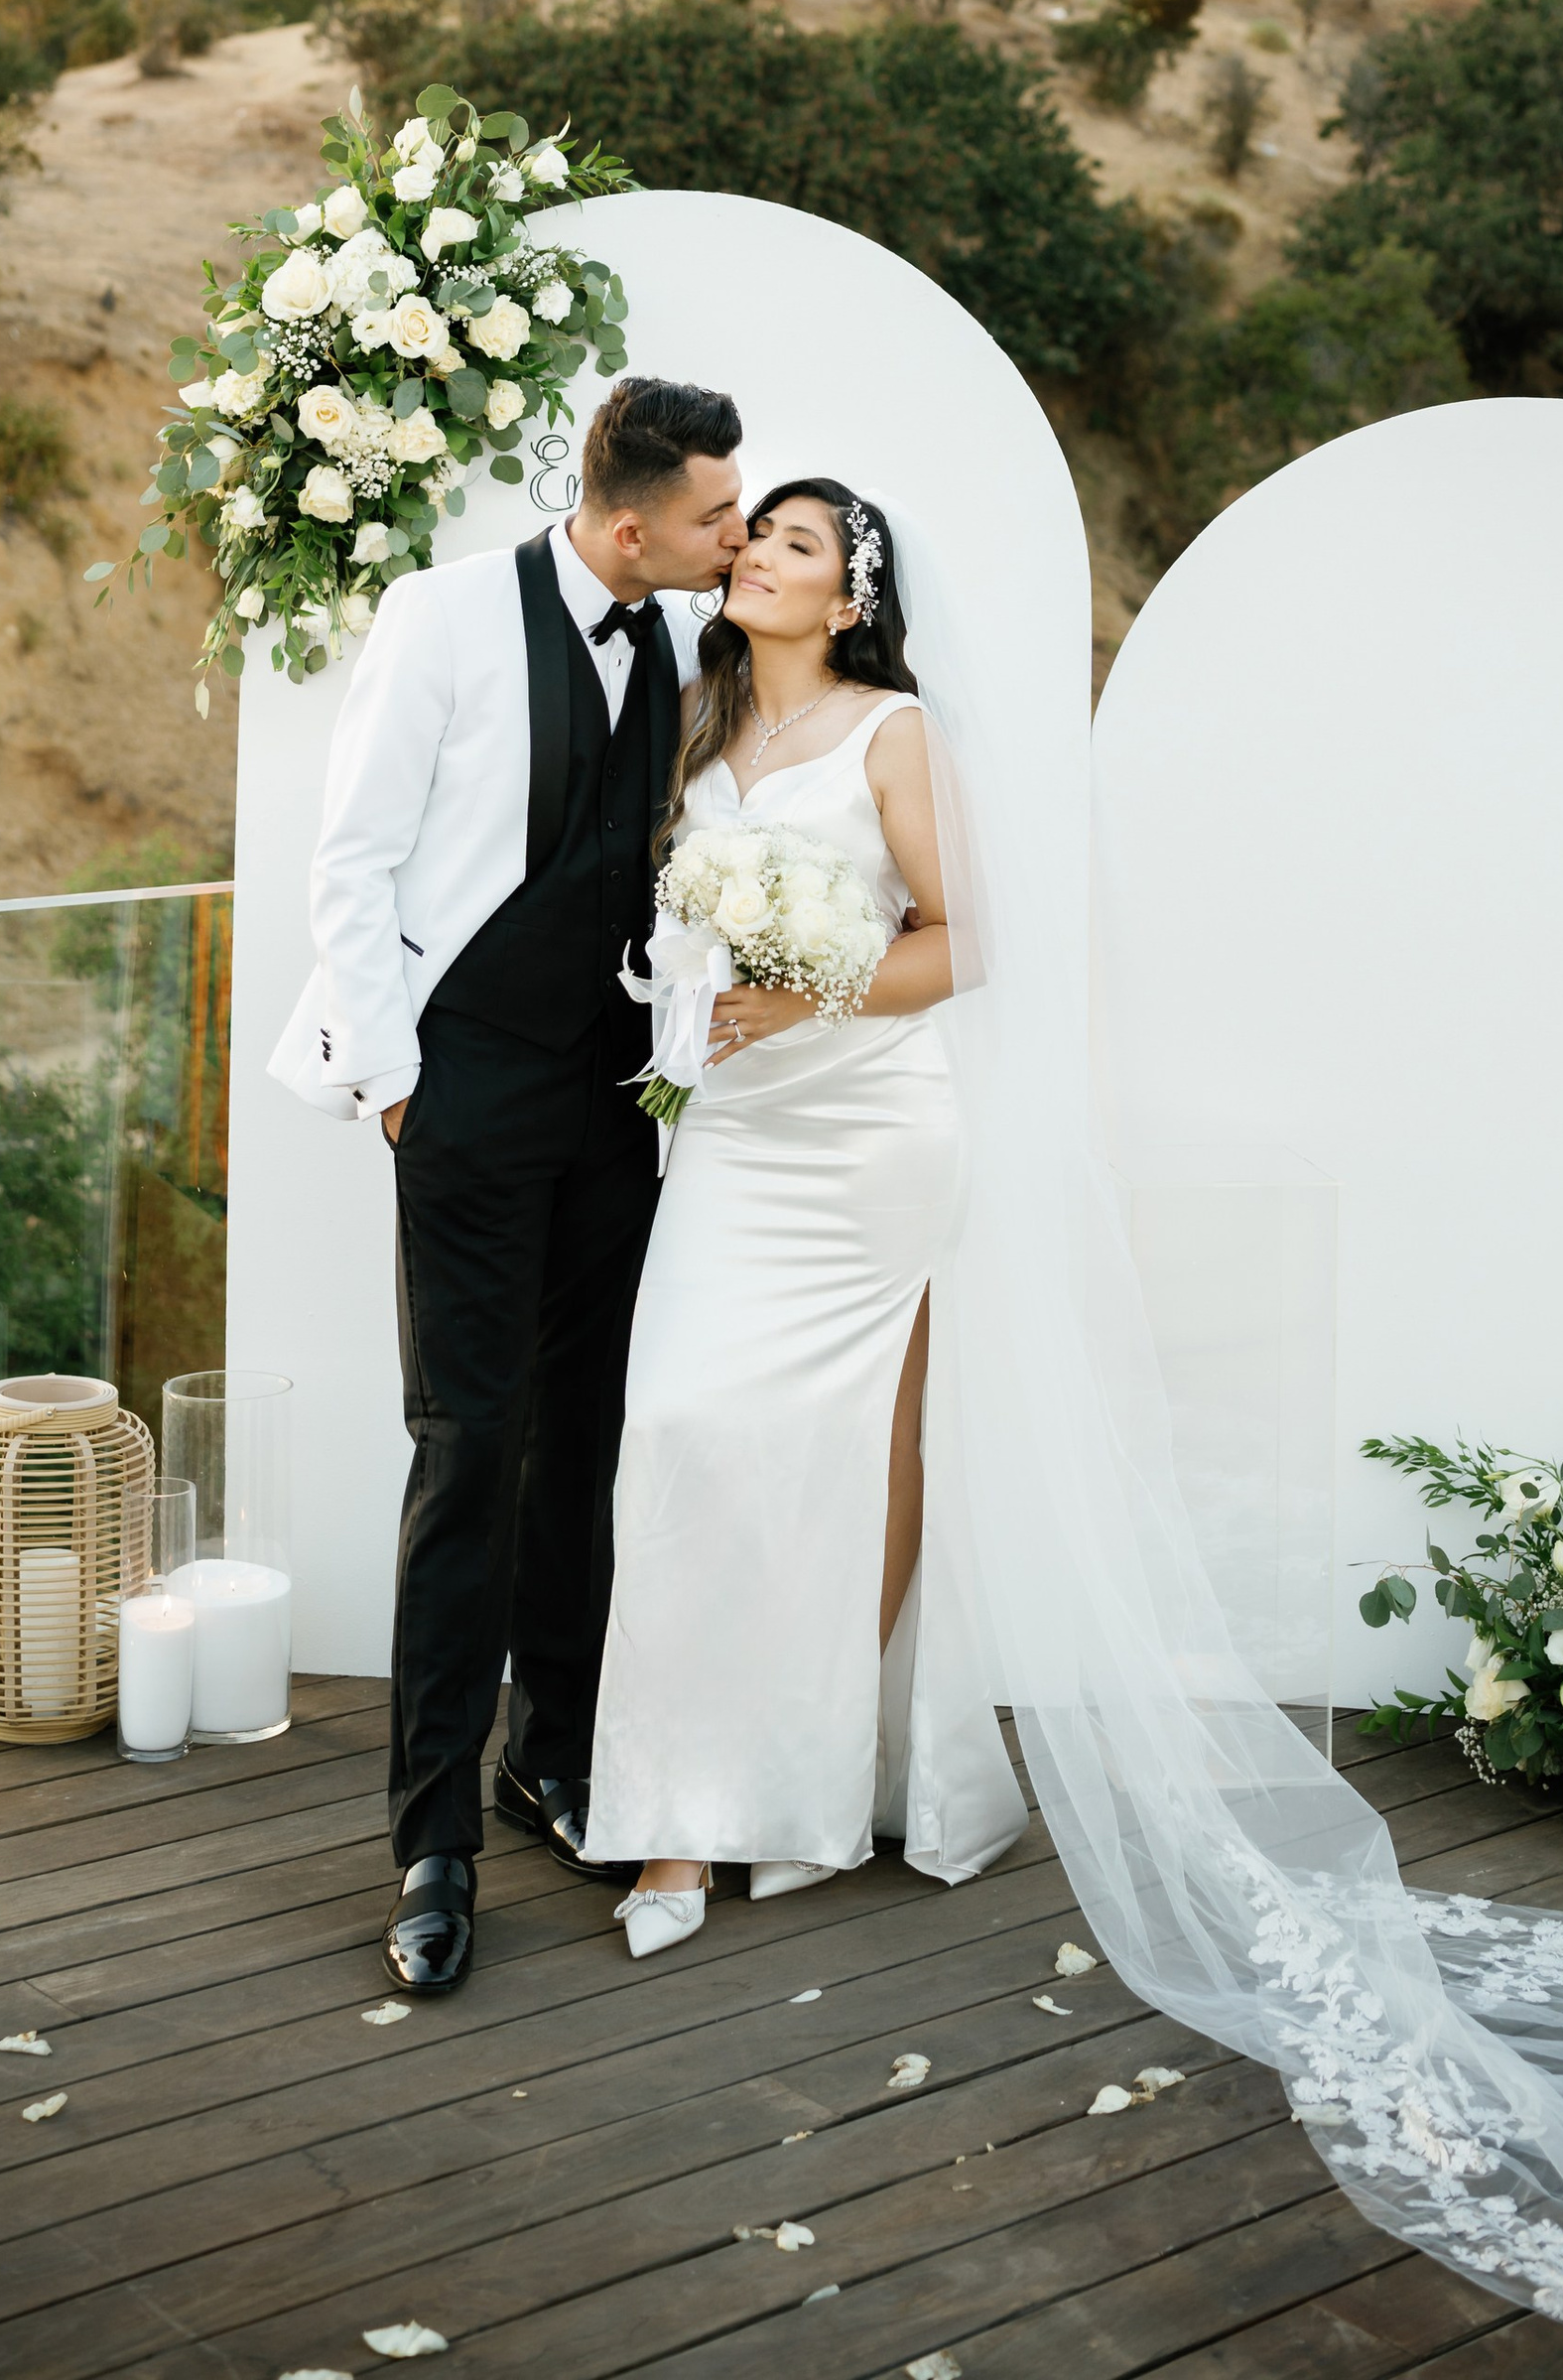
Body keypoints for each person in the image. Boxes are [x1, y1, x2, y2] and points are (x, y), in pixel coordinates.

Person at [272, 373, 745, 1995]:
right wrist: (401, 1086)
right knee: (467, 1448)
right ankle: (431, 1838)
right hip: (464, 1093)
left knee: (589, 1434)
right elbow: (354, 858)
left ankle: (551, 1755)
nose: (732, 538)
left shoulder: (689, 640)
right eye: (712, 516)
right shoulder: (445, 615)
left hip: (617, 1103)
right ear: (631, 525)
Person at [584, 479, 1025, 1948]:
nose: (759, 555)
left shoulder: (892, 734)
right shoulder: (704, 725)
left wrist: (805, 988)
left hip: (867, 1142)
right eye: (753, 533)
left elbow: (971, 942)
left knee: (837, 1468)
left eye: (798, 544)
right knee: (684, 1436)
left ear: (848, 602)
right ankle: (679, 1809)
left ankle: (781, 1792)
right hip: (734, 1136)